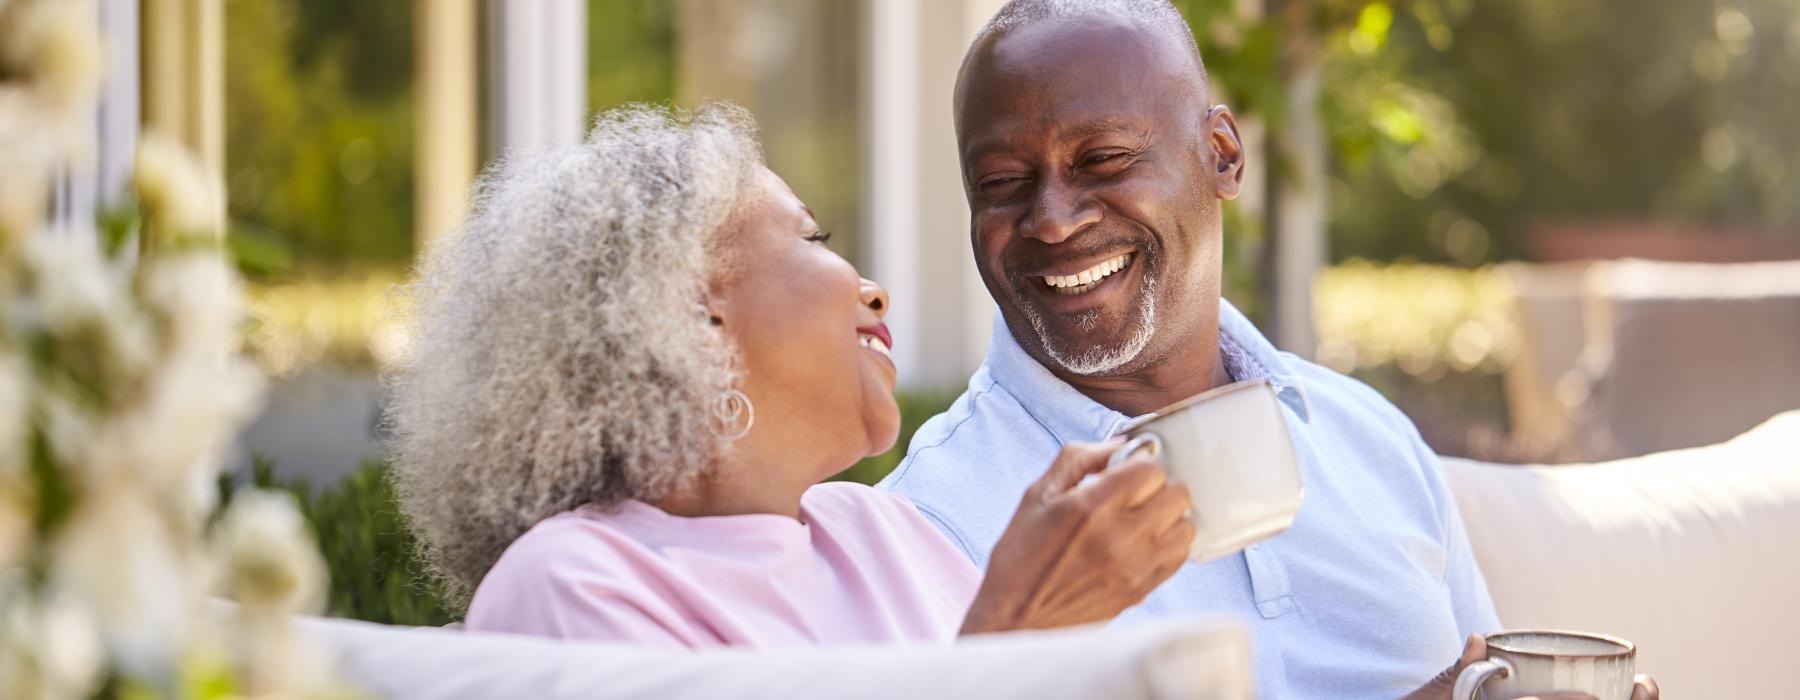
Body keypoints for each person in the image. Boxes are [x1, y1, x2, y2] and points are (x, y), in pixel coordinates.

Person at [873, 2, 1657, 698]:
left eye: (1103, 160)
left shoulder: (1366, 438)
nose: (1051, 219)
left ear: (1221, 154)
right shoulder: (933, 522)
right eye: (1003, 181)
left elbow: (1487, 678)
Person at [386, 104, 1196, 648]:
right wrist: (1016, 635)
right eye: (812, 239)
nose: (873, 289)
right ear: (690, 319)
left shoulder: (888, 535)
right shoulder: (572, 585)